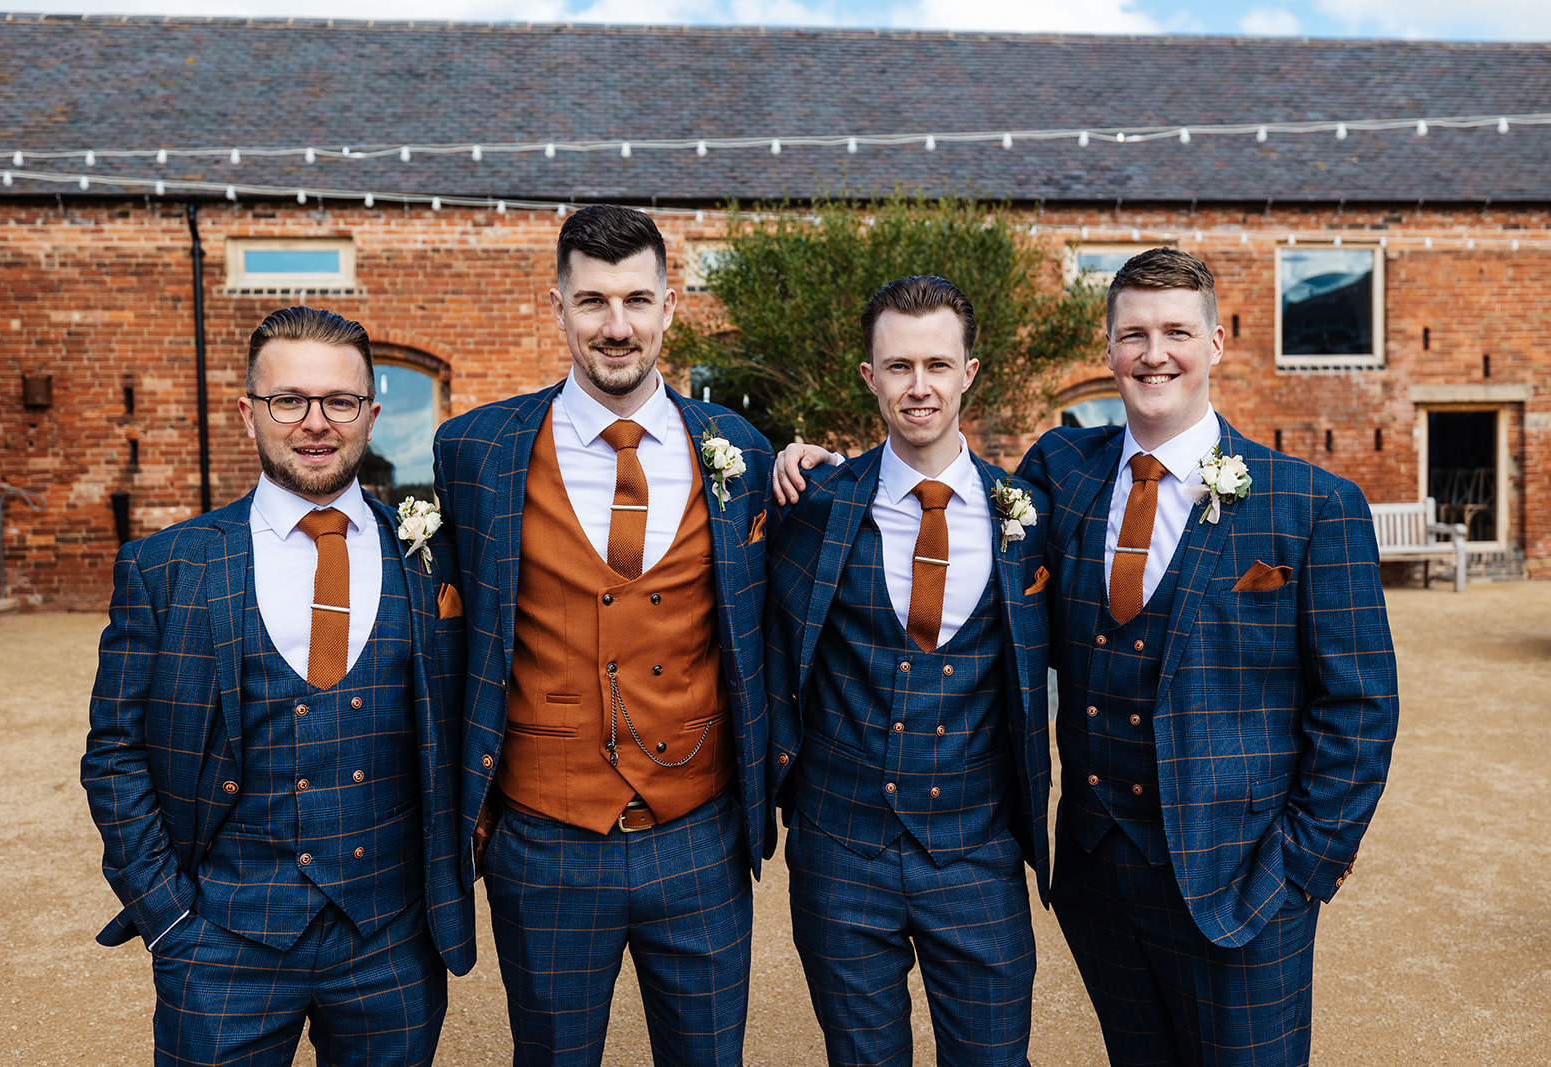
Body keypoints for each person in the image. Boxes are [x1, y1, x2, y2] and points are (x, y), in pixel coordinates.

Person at [1016, 248, 1398, 1066]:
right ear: (1109, 347)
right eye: (1133, 334)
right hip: (1098, 872)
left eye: (1176, 332)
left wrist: (1297, 874)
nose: (1155, 353)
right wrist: (827, 473)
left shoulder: (1312, 505)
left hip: (1245, 884)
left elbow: (1359, 709)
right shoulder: (1060, 471)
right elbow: (960, 517)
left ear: (1217, 343)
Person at [81, 306, 475, 1065]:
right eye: (288, 400)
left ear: (371, 413)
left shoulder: (433, 558)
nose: (315, 423)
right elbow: (115, 754)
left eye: (340, 401)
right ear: (248, 412)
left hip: (390, 941)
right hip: (221, 943)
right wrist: (167, 917)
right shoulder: (167, 567)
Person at [432, 204, 772, 1065]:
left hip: (698, 834)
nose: (615, 327)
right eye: (592, 302)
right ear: (557, 308)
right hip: (544, 840)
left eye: (635, 300)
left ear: (669, 305)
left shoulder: (738, 449)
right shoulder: (474, 451)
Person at [764, 276, 1052, 1066]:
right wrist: (786, 456)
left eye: (935, 364)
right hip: (839, 850)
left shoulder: (1029, 513)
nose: (917, 386)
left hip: (977, 851)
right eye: (897, 366)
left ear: (970, 371)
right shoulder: (808, 500)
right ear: (869, 377)